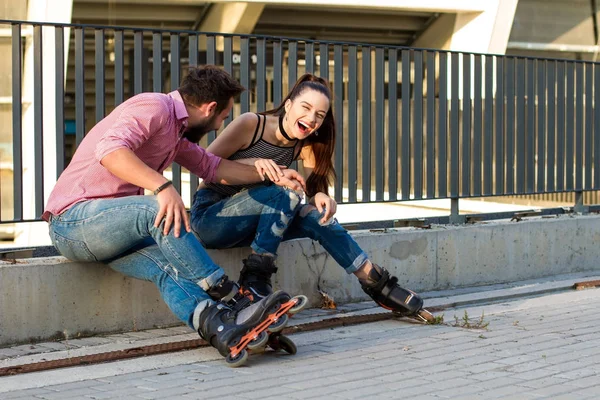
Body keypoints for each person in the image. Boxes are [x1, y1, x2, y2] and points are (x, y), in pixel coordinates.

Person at [43, 66, 307, 363]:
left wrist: (273, 176)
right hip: (73, 223)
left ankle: (221, 327)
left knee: (168, 266)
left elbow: (214, 168)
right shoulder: (153, 107)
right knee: (158, 207)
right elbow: (110, 149)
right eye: (222, 116)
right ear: (209, 108)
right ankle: (232, 296)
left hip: (113, 232)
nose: (220, 125)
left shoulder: (175, 133)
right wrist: (162, 187)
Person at [190, 74, 430, 319]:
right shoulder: (252, 124)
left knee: (316, 216)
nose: (312, 118)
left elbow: (313, 190)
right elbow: (204, 167)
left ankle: (376, 282)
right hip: (212, 218)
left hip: (256, 223)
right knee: (286, 190)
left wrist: (321, 197)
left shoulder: (303, 145)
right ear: (288, 105)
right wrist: (255, 165)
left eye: (320, 115)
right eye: (306, 108)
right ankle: (254, 282)